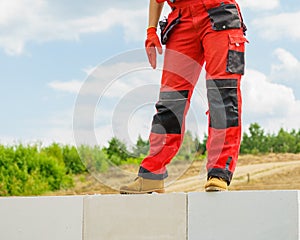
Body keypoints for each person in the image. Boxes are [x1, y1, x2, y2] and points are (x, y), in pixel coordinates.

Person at [120, 0, 248, 193]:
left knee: (222, 96)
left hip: (218, 13)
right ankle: (152, 175)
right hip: (181, 20)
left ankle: (219, 172)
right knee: (170, 101)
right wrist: (151, 30)